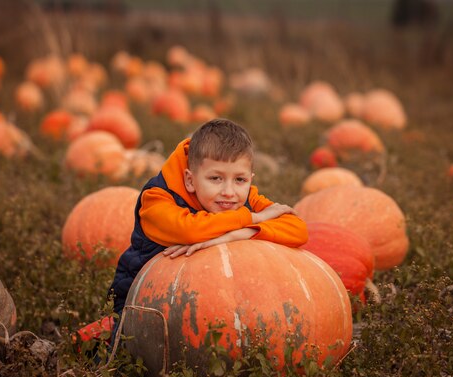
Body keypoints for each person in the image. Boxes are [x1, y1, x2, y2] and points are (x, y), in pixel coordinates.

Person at [107, 118, 308, 326]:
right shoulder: (157, 199)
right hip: (145, 303)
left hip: (212, 298)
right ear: (190, 180)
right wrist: (252, 218)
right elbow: (189, 231)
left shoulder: (246, 196)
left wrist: (240, 233)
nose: (229, 192)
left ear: (250, 178)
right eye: (216, 179)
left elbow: (298, 229)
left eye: (240, 180)